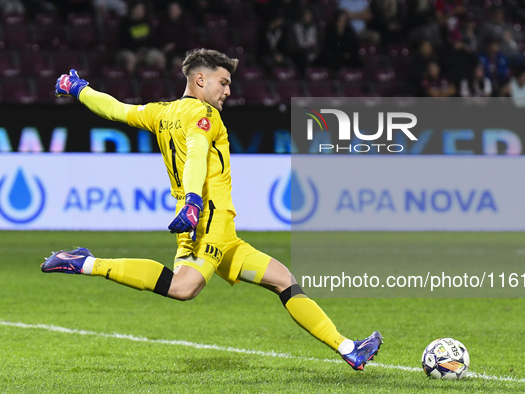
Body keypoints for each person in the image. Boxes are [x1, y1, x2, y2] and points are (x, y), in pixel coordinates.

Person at [42, 48, 382, 371]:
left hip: (211, 229)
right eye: (224, 82)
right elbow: (196, 153)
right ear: (200, 80)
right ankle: (85, 263)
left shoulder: (161, 111)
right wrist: (193, 201)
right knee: (183, 288)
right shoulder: (204, 116)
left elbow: (115, 108)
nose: (228, 91)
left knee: (283, 280)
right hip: (209, 219)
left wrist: (78, 88)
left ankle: (348, 349)